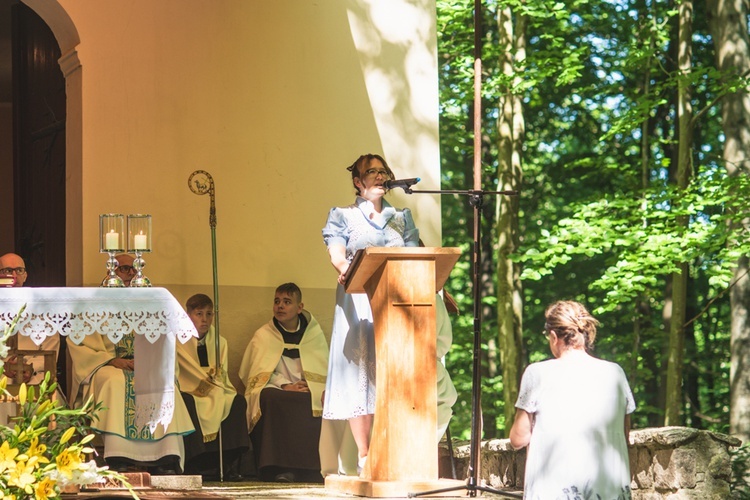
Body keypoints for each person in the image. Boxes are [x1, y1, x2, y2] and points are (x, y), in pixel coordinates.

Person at [321, 153, 419, 474]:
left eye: (382, 171)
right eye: (371, 172)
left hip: (397, 304)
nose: (378, 176)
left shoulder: (402, 217)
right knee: (360, 376)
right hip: (359, 301)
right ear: (357, 181)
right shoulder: (342, 215)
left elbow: (416, 257)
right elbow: (337, 253)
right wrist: (347, 269)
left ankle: (393, 449)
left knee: (393, 375)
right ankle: (365, 456)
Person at [67, 254, 195, 474]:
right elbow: (79, 343)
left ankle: (166, 456)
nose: (129, 275)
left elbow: (164, 340)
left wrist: (150, 360)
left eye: (133, 270)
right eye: (124, 269)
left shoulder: (150, 302)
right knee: (115, 382)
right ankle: (118, 456)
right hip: (109, 365)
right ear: (110, 272)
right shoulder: (93, 303)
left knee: (163, 385)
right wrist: (111, 360)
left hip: (143, 366)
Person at [509, 300, 635, 499]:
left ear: (553, 336)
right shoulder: (616, 373)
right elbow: (624, 433)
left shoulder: (538, 373)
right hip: (610, 490)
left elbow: (519, 439)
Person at [238, 283, 330, 483]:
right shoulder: (264, 335)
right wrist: (285, 385)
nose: (280, 306)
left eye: (287, 302)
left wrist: (308, 385)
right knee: (270, 398)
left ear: (299, 307)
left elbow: (322, 369)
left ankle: (312, 469)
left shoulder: (314, 334)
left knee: (316, 400)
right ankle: (277, 468)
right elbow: (256, 373)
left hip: (305, 386)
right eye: (277, 301)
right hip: (276, 387)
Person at [176, 293, 249, 481]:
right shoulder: (177, 341)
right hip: (187, 389)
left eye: (209, 314)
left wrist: (213, 382)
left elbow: (220, 372)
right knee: (187, 401)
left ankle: (227, 462)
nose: (205, 319)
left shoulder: (220, 341)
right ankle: (195, 461)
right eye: (199, 314)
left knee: (237, 401)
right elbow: (177, 372)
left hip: (215, 387)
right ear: (188, 315)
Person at [0, 253, 60, 386]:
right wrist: (3, 367)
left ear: (25, 276)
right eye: (8, 271)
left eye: (19, 270)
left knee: (41, 386)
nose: (14, 276)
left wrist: (29, 367)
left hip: (35, 373)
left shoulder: (43, 308)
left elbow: (51, 348)